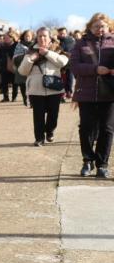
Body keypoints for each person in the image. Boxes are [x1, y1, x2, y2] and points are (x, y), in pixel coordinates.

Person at [69, 13, 114, 178]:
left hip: (109, 93)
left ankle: (102, 164)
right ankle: (87, 160)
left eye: (102, 26)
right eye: (96, 26)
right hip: (86, 93)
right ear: (90, 27)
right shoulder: (81, 43)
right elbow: (74, 66)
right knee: (86, 128)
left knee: (107, 129)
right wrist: (95, 69)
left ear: (108, 27)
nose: (100, 29)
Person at [19, 28, 68, 147]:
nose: (42, 38)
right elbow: (22, 71)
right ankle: (39, 138)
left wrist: (47, 53)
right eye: (40, 36)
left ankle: (50, 131)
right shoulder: (30, 51)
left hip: (53, 88)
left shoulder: (57, 49)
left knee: (53, 115)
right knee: (38, 116)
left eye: (45, 36)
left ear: (50, 37)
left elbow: (63, 62)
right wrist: (31, 59)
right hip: (36, 89)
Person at [12, 29, 34, 107]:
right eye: (26, 36)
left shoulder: (34, 45)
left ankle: (31, 101)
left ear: (32, 37)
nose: (27, 37)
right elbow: (15, 57)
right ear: (23, 36)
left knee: (32, 85)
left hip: (32, 68)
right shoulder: (19, 45)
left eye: (29, 36)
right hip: (21, 66)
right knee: (22, 85)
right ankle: (25, 99)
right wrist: (26, 56)